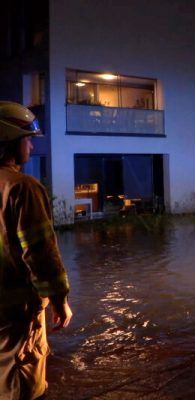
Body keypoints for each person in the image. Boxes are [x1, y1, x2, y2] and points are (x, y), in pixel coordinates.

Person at [0, 101, 73, 399]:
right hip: (18, 310)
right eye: (27, 139)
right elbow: (40, 252)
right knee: (24, 384)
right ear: (8, 141)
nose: (31, 145)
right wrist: (59, 299)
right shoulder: (23, 188)